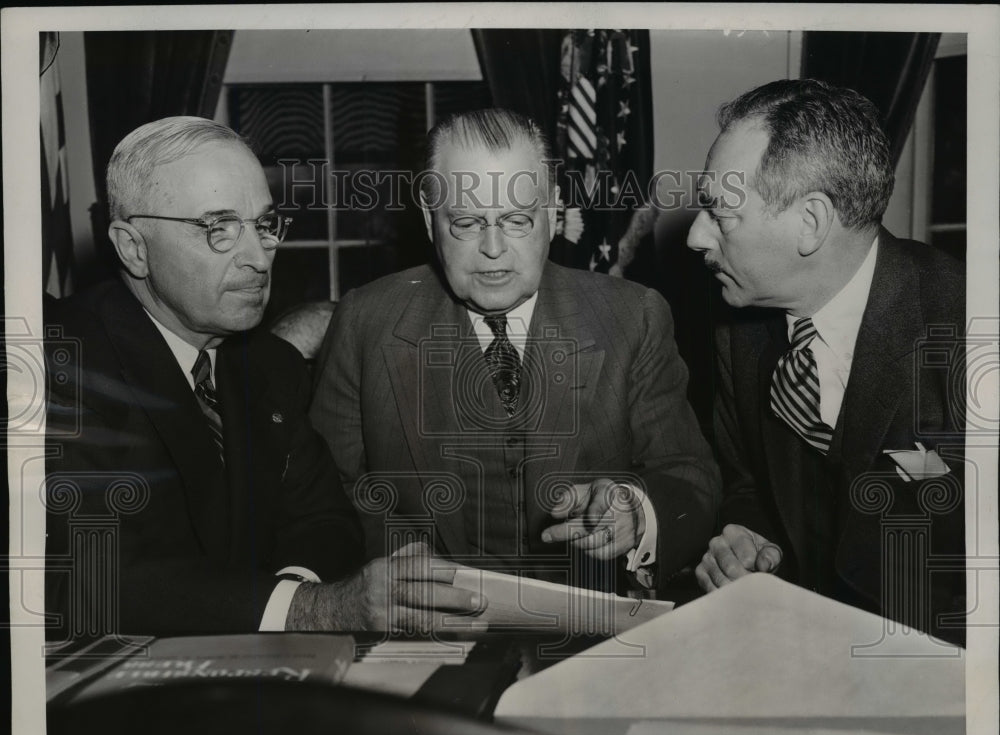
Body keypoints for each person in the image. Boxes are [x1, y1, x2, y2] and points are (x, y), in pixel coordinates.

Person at [44, 116, 481, 639]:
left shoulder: (268, 365)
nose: (258, 259)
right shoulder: (59, 359)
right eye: (218, 229)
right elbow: (90, 577)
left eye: (264, 225)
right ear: (133, 247)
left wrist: (294, 586)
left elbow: (326, 521)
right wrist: (309, 610)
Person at [309, 108, 720, 598]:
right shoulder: (365, 321)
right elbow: (321, 501)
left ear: (552, 212)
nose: (494, 248)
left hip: (587, 630)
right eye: (466, 222)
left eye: (517, 219)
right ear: (428, 219)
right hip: (424, 625)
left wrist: (639, 514)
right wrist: (384, 564)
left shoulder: (635, 316)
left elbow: (689, 476)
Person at [687, 79, 965, 644]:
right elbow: (747, 481)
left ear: (811, 223)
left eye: (721, 215)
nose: (696, 236)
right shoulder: (739, 325)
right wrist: (746, 538)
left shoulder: (970, 326)